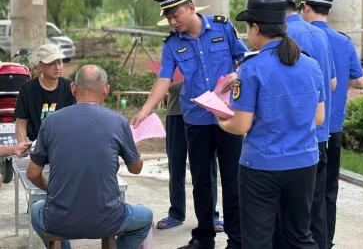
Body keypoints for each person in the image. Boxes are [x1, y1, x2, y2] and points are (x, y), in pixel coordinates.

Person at [133, 0, 248, 249]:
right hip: (196, 120)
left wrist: (237, 74)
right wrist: (146, 109)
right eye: (168, 17)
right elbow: (164, 78)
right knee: (200, 181)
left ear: (191, 7)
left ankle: (237, 239)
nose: (173, 22)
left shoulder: (222, 27)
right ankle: (203, 237)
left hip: (227, 117)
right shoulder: (172, 43)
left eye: (175, 15)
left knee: (232, 179)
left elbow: (243, 59)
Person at [217, 0, 324, 249]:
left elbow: (240, 126)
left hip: (262, 166)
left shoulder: (251, 68)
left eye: (248, 27)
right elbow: (318, 118)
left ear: (255, 29)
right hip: (305, 163)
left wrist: (220, 118)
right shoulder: (310, 65)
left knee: (258, 240)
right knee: (300, 236)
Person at [248, 0, 336, 249]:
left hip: (270, 152)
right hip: (311, 142)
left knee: (268, 225)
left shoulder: (259, 59)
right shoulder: (320, 36)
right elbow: (330, 84)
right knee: (310, 217)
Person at [26, 65, 153, 249]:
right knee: (145, 216)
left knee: (37, 209)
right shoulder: (118, 122)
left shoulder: (51, 121)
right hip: (108, 219)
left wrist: (50, 189)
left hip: (59, 220)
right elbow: (136, 168)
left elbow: (32, 173)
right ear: (106, 90)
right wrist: (134, 147)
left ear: (73, 88)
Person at [298, 0, 363, 249]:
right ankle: (326, 240)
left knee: (305, 191)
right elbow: (358, 78)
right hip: (333, 125)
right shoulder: (342, 41)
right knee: (328, 189)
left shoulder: (301, 38)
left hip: (309, 126)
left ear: (305, 7)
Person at [156, 83, 223, 232]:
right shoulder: (173, 59)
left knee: (206, 166)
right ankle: (176, 213)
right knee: (175, 164)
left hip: (203, 115)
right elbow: (166, 85)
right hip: (176, 114)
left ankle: (211, 215)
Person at [15, 43, 76, 142]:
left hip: (62, 142)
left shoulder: (69, 87)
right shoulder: (27, 89)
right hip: (35, 142)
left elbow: (74, 120)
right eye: (52, 63)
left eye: (59, 62)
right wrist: (22, 144)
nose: (57, 67)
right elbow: (21, 121)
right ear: (40, 66)